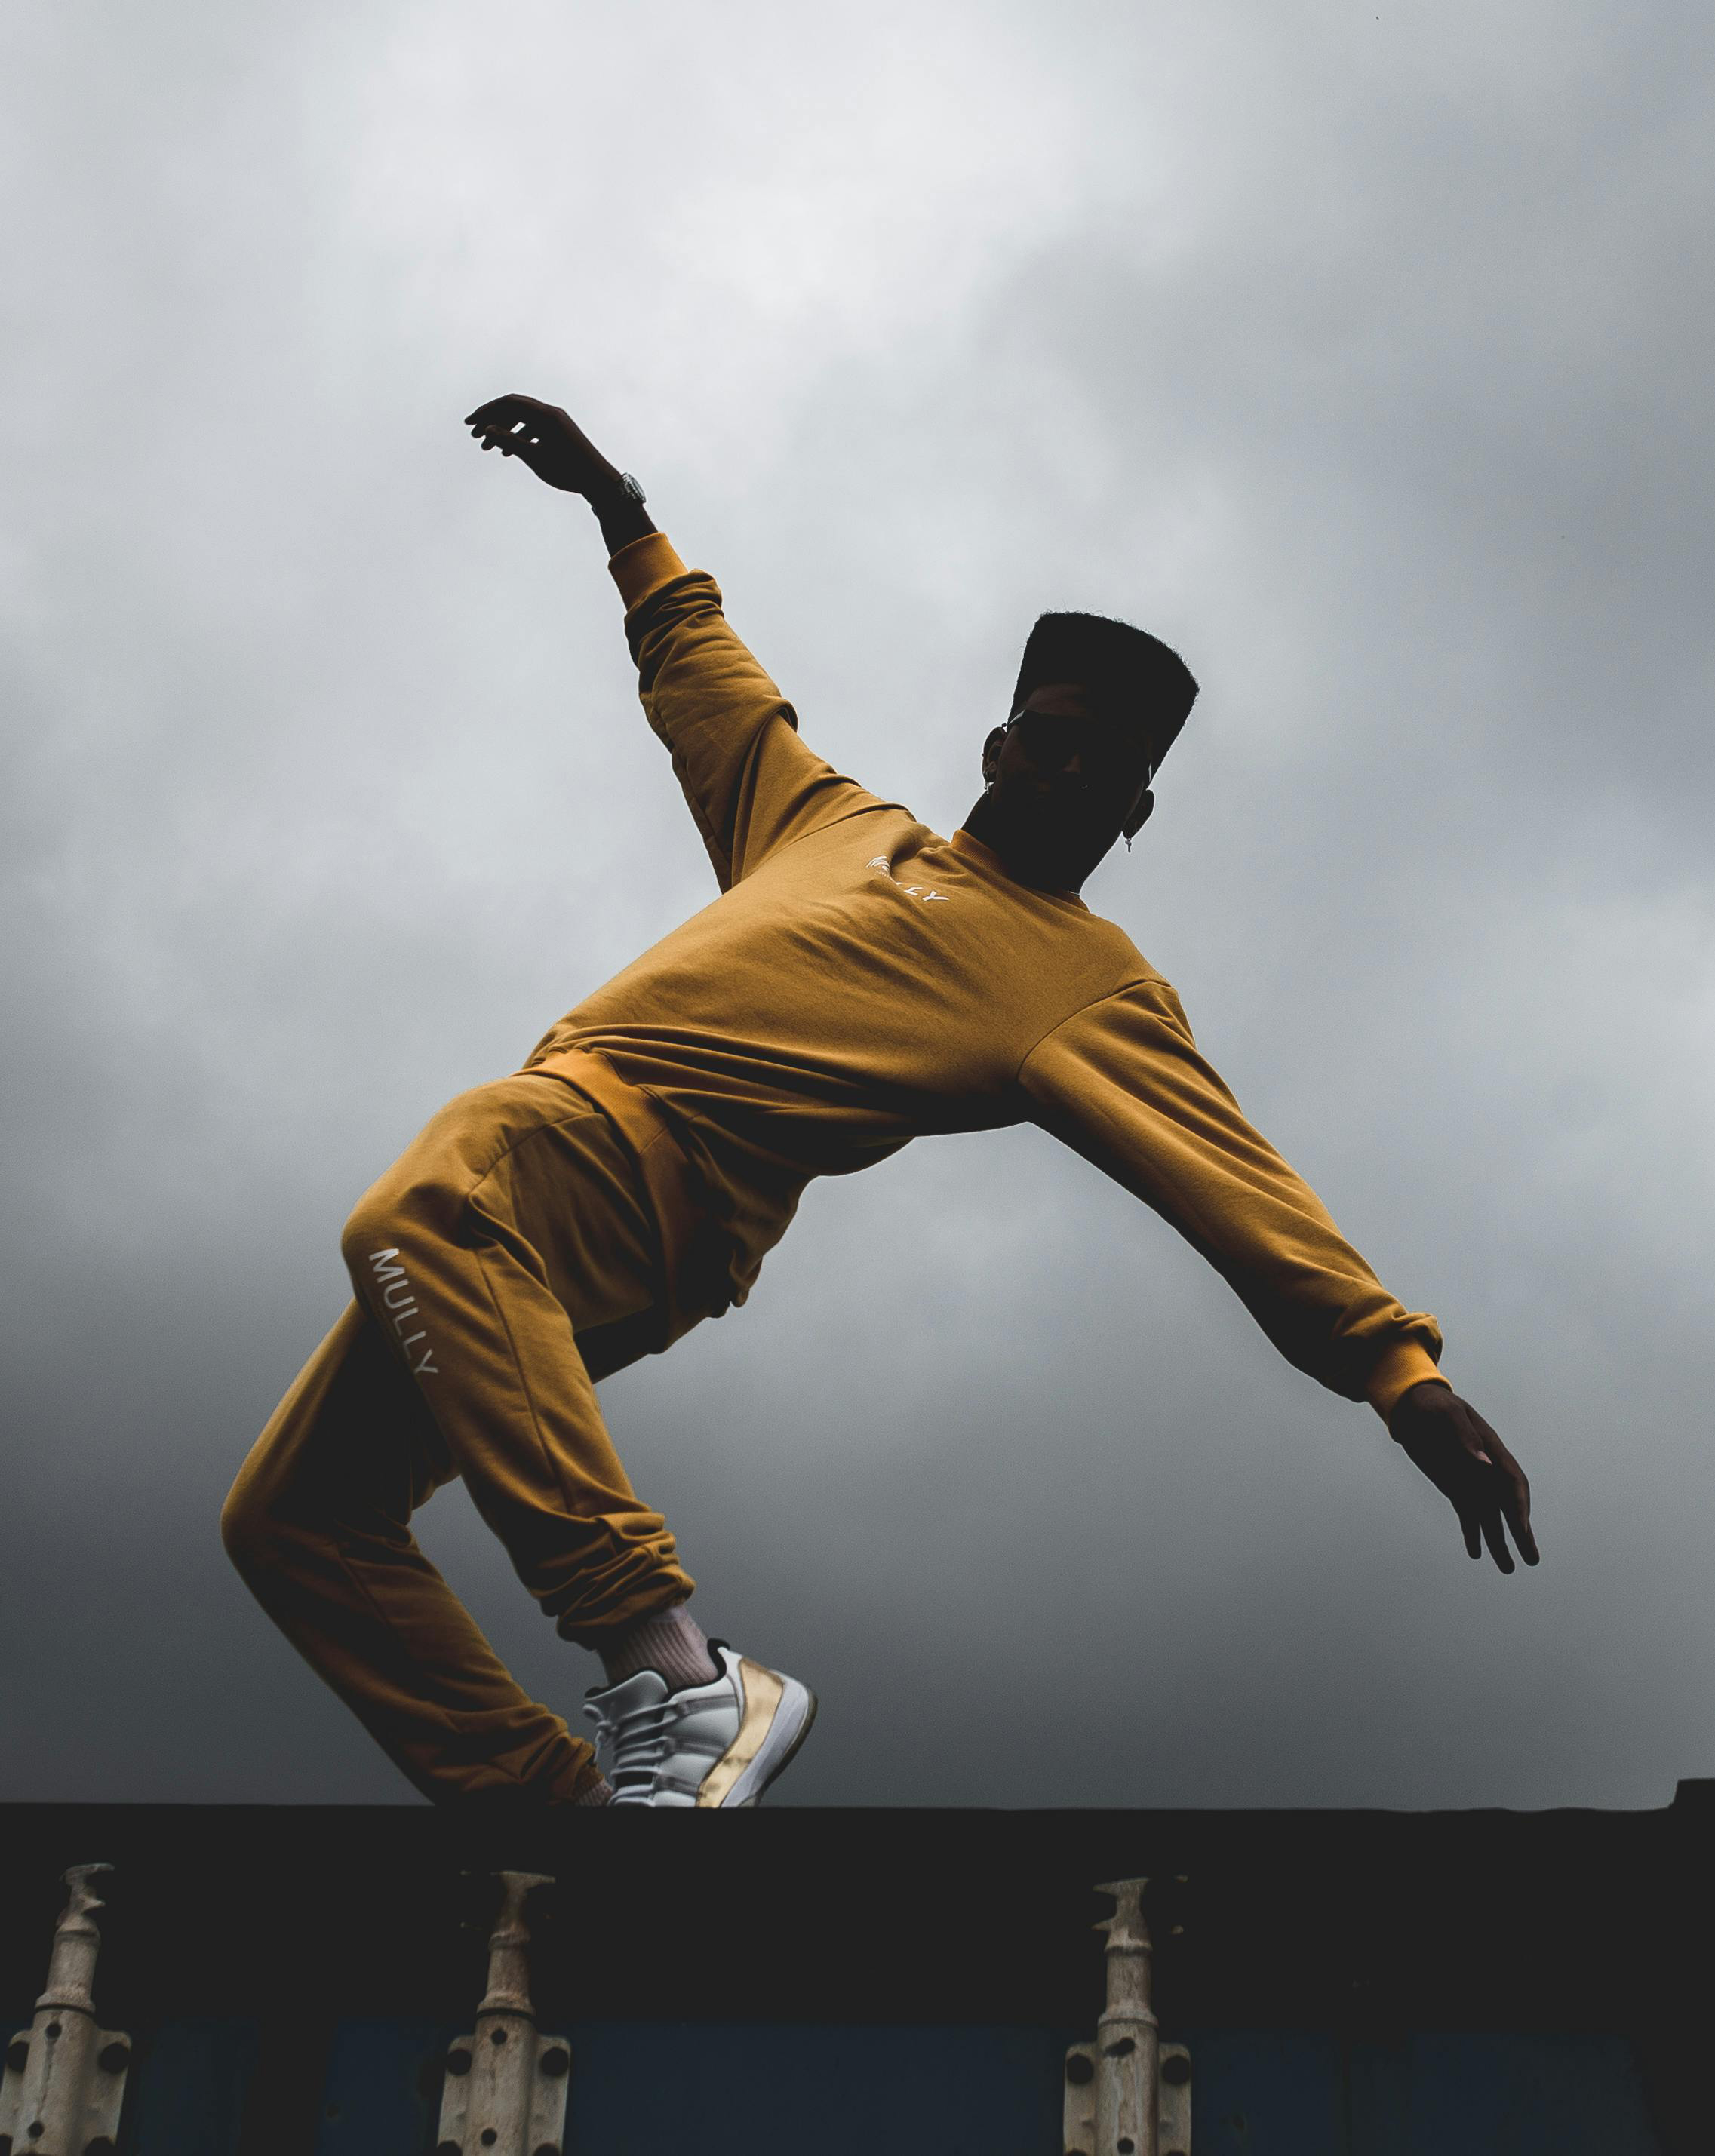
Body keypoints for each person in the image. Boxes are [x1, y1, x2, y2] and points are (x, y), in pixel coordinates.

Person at [220, 392, 1538, 1813]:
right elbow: (710, 680)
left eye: (1107, 766)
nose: (1070, 768)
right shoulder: (821, 817)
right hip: (560, 1179)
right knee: (297, 1518)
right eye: (1050, 735)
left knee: (428, 1194)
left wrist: (1403, 1377)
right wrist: (621, 513)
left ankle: (673, 1665)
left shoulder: (1079, 982)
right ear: (996, 743)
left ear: (1135, 815)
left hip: (633, 1176)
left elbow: (1237, 1189)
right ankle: (554, 1816)